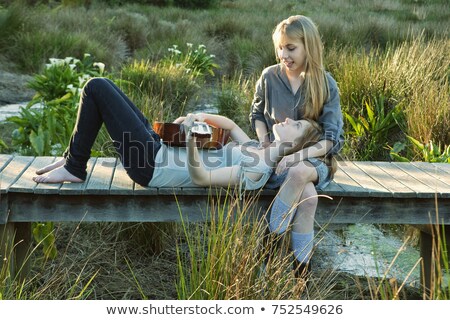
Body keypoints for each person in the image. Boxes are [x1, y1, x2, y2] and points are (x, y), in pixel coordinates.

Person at [33, 77, 324, 196]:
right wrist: (197, 117)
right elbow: (230, 124)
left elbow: (201, 179)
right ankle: (72, 161)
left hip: (150, 166)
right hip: (157, 148)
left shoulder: (257, 170)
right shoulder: (255, 147)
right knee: (105, 86)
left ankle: (74, 167)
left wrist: (191, 143)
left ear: (293, 145)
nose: (286, 120)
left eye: (295, 125)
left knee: (96, 88)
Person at [249, 15, 344, 276]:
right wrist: (266, 143)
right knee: (310, 199)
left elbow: (332, 139)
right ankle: (301, 282)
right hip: (277, 158)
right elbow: (257, 115)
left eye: (291, 48)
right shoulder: (269, 77)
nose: (283, 54)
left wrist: (296, 157)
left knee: (299, 172)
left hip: (316, 158)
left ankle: (264, 260)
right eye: (280, 48)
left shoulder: (325, 83)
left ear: (308, 46)